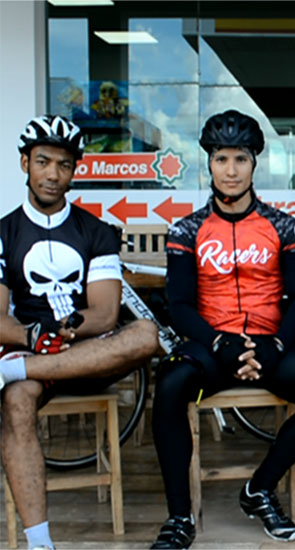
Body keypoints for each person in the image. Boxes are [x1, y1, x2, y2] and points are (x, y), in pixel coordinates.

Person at [150, 110, 295, 549]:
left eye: (241, 158)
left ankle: (259, 488)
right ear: (210, 164)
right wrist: (220, 343)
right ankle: (179, 518)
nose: (231, 170)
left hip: (269, 345)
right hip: (211, 347)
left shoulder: (283, 226)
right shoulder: (187, 229)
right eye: (221, 159)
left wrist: (272, 347)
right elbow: (178, 306)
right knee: (170, 384)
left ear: (255, 163)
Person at [0, 114, 159, 550]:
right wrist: (32, 338)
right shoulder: (3, 233)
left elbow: (106, 314)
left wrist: (76, 328)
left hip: (84, 351)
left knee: (146, 333)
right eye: (43, 162)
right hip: (33, 351)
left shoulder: (96, 231)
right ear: (24, 164)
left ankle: (17, 370)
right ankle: (40, 543)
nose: (53, 174)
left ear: (75, 170)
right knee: (16, 402)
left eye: (64, 165)